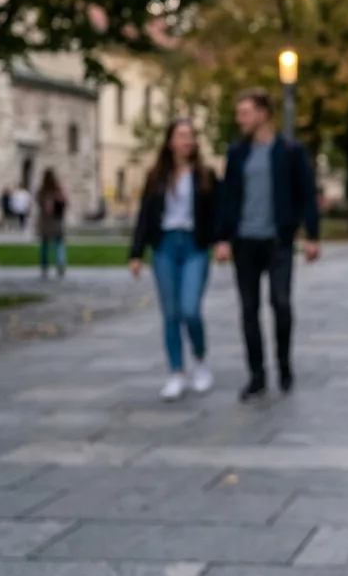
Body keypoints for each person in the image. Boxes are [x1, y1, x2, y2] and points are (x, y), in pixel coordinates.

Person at [215, 88, 321, 401]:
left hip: (278, 241)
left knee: (281, 304)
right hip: (244, 242)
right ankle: (257, 375)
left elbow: (306, 194)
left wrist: (312, 236)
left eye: (245, 112)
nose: (240, 119)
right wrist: (222, 238)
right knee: (249, 310)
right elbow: (227, 197)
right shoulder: (236, 153)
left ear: (263, 113)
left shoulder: (289, 150)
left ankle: (284, 365)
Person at [128, 118, 218, 402]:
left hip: (194, 245)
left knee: (190, 309)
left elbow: (219, 212)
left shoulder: (206, 175)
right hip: (165, 245)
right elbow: (144, 215)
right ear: (169, 141)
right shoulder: (157, 176)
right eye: (180, 136)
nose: (186, 141)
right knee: (170, 313)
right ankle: (176, 372)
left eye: (190, 136)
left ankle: (200, 361)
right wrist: (136, 253)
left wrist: (222, 241)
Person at [35, 169, 68, 279]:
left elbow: (38, 202)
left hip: (45, 222)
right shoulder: (58, 191)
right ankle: (60, 264)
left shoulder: (42, 192)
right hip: (56, 222)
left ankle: (44, 266)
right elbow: (65, 203)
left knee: (44, 246)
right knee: (58, 245)